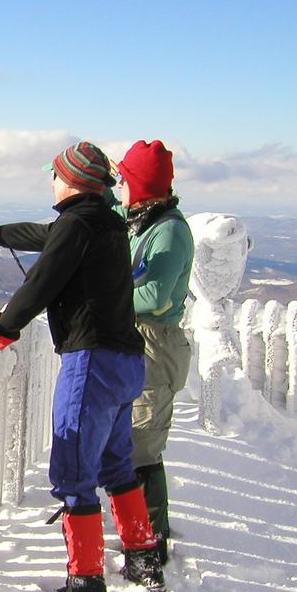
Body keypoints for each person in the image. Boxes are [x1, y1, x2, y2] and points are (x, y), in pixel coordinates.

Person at [0, 141, 164, 592]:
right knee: (116, 462)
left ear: (69, 178)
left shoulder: (79, 223)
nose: (49, 180)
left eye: (52, 173)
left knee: (73, 471)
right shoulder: (107, 220)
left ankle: (86, 590)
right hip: (125, 362)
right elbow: (49, 236)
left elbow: (40, 284)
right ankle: (143, 558)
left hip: (91, 363)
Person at [113, 140, 195, 566]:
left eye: (125, 179)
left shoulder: (169, 231)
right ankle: (139, 533)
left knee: (143, 444)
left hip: (155, 344)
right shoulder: (144, 220)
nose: (119, 185)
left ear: (141, 185)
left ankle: (151, 542)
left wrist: (108, 296)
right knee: (131, 437)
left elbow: (158, 296)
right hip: (139, 341)